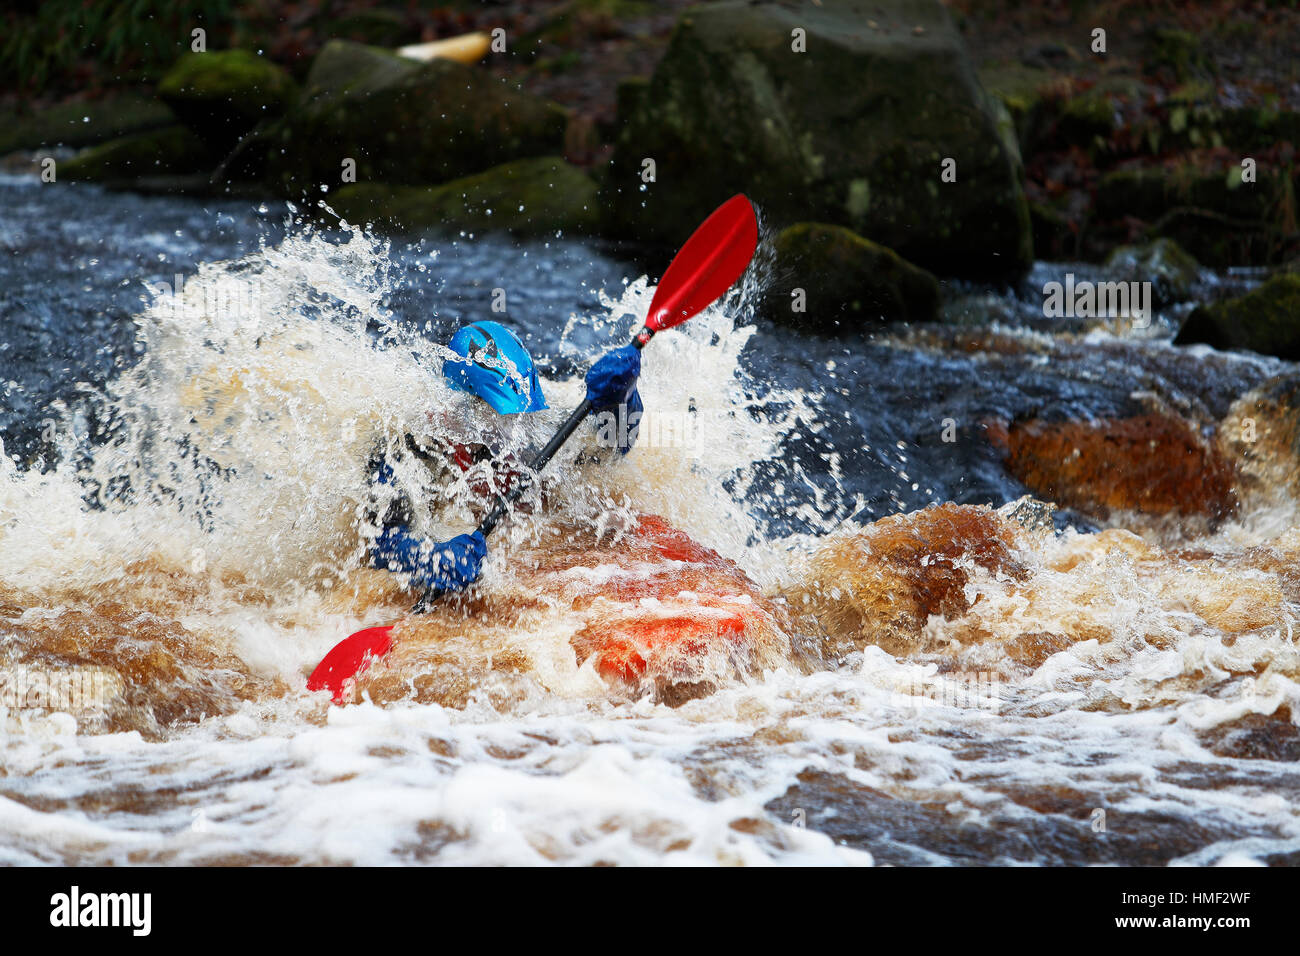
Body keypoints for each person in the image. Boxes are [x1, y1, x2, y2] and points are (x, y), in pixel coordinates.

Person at [367, 320, 642, 598]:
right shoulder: (407, 451)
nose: (511, 457)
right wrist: (428, 561)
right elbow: (376, 543)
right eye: (491, 451)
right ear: (449, 417)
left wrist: (622, 401)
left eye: (516, 441)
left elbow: (612, 448)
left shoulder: (537, 427)